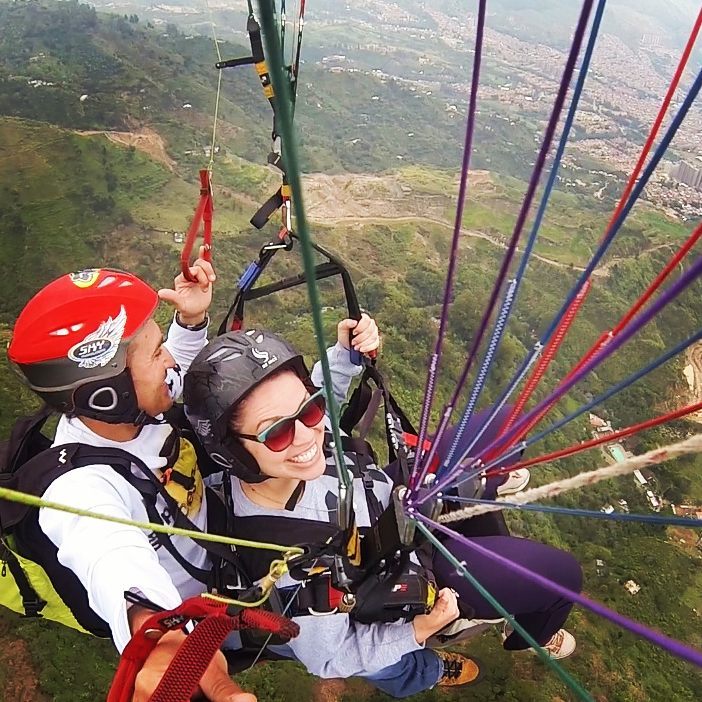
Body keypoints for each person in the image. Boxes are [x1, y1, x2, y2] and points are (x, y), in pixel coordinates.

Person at [6, 259, 379, 701]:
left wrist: (191, 319)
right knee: (353, 630)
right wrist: (158, 636)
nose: (169, 359)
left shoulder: (134, 412)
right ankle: (413, 668)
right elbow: (108, 554)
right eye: (155, 350)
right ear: (108, 395)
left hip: (222, 538)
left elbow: (175, 368)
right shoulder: (82, 489)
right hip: (205, 602)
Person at [183, 329, 584, 697]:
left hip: (393, 498)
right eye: (278, 432)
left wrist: (345, 354)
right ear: (233, 452)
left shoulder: (291, 455)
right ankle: (525, 632)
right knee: (562, 578)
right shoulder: (289, 568)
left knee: (506, 424)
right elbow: (329, 658)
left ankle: (485, 492)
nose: (307, 435)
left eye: (310, 410)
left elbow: (321, 400)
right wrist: (417, 631)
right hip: (401, 572)